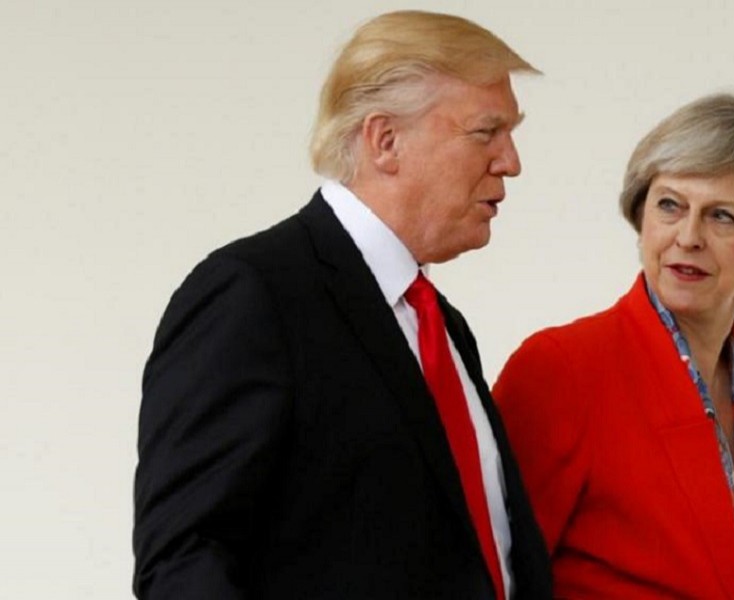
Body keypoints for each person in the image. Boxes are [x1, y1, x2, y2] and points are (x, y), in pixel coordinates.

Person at [133, 10, 551, 599]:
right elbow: (184, 560)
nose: (511, 161)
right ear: (385, 141)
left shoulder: (443, 327)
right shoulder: (252, 294)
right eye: (486, 132)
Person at [493, 93, 734, 599]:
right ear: (641, 220)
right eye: (669, 205)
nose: (688, 236)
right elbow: (494, 579)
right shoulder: (561, 368)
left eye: (721, 216)